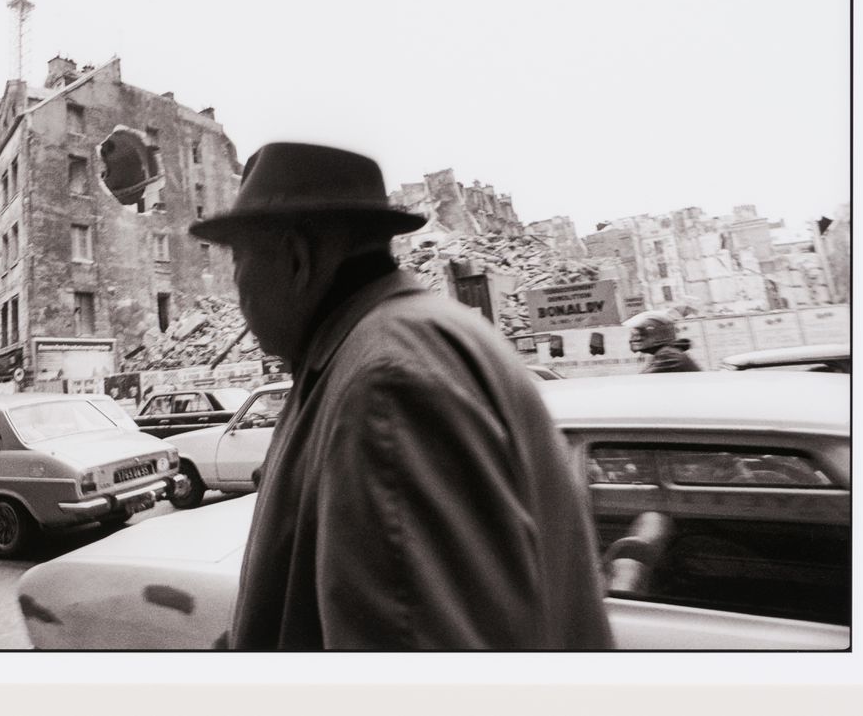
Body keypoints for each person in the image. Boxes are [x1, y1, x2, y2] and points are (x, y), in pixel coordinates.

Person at [190, 142, 613, 650]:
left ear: (297, 257)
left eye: (239, 260)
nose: (236, 287)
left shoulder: (383, 386)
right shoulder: (407, 339)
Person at [623, 310, 701, 373]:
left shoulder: (668, 355)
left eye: (640, 333)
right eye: (634, 334)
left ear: (656, 333)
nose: (635, 339)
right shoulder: (667, 352)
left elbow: (642, 381)